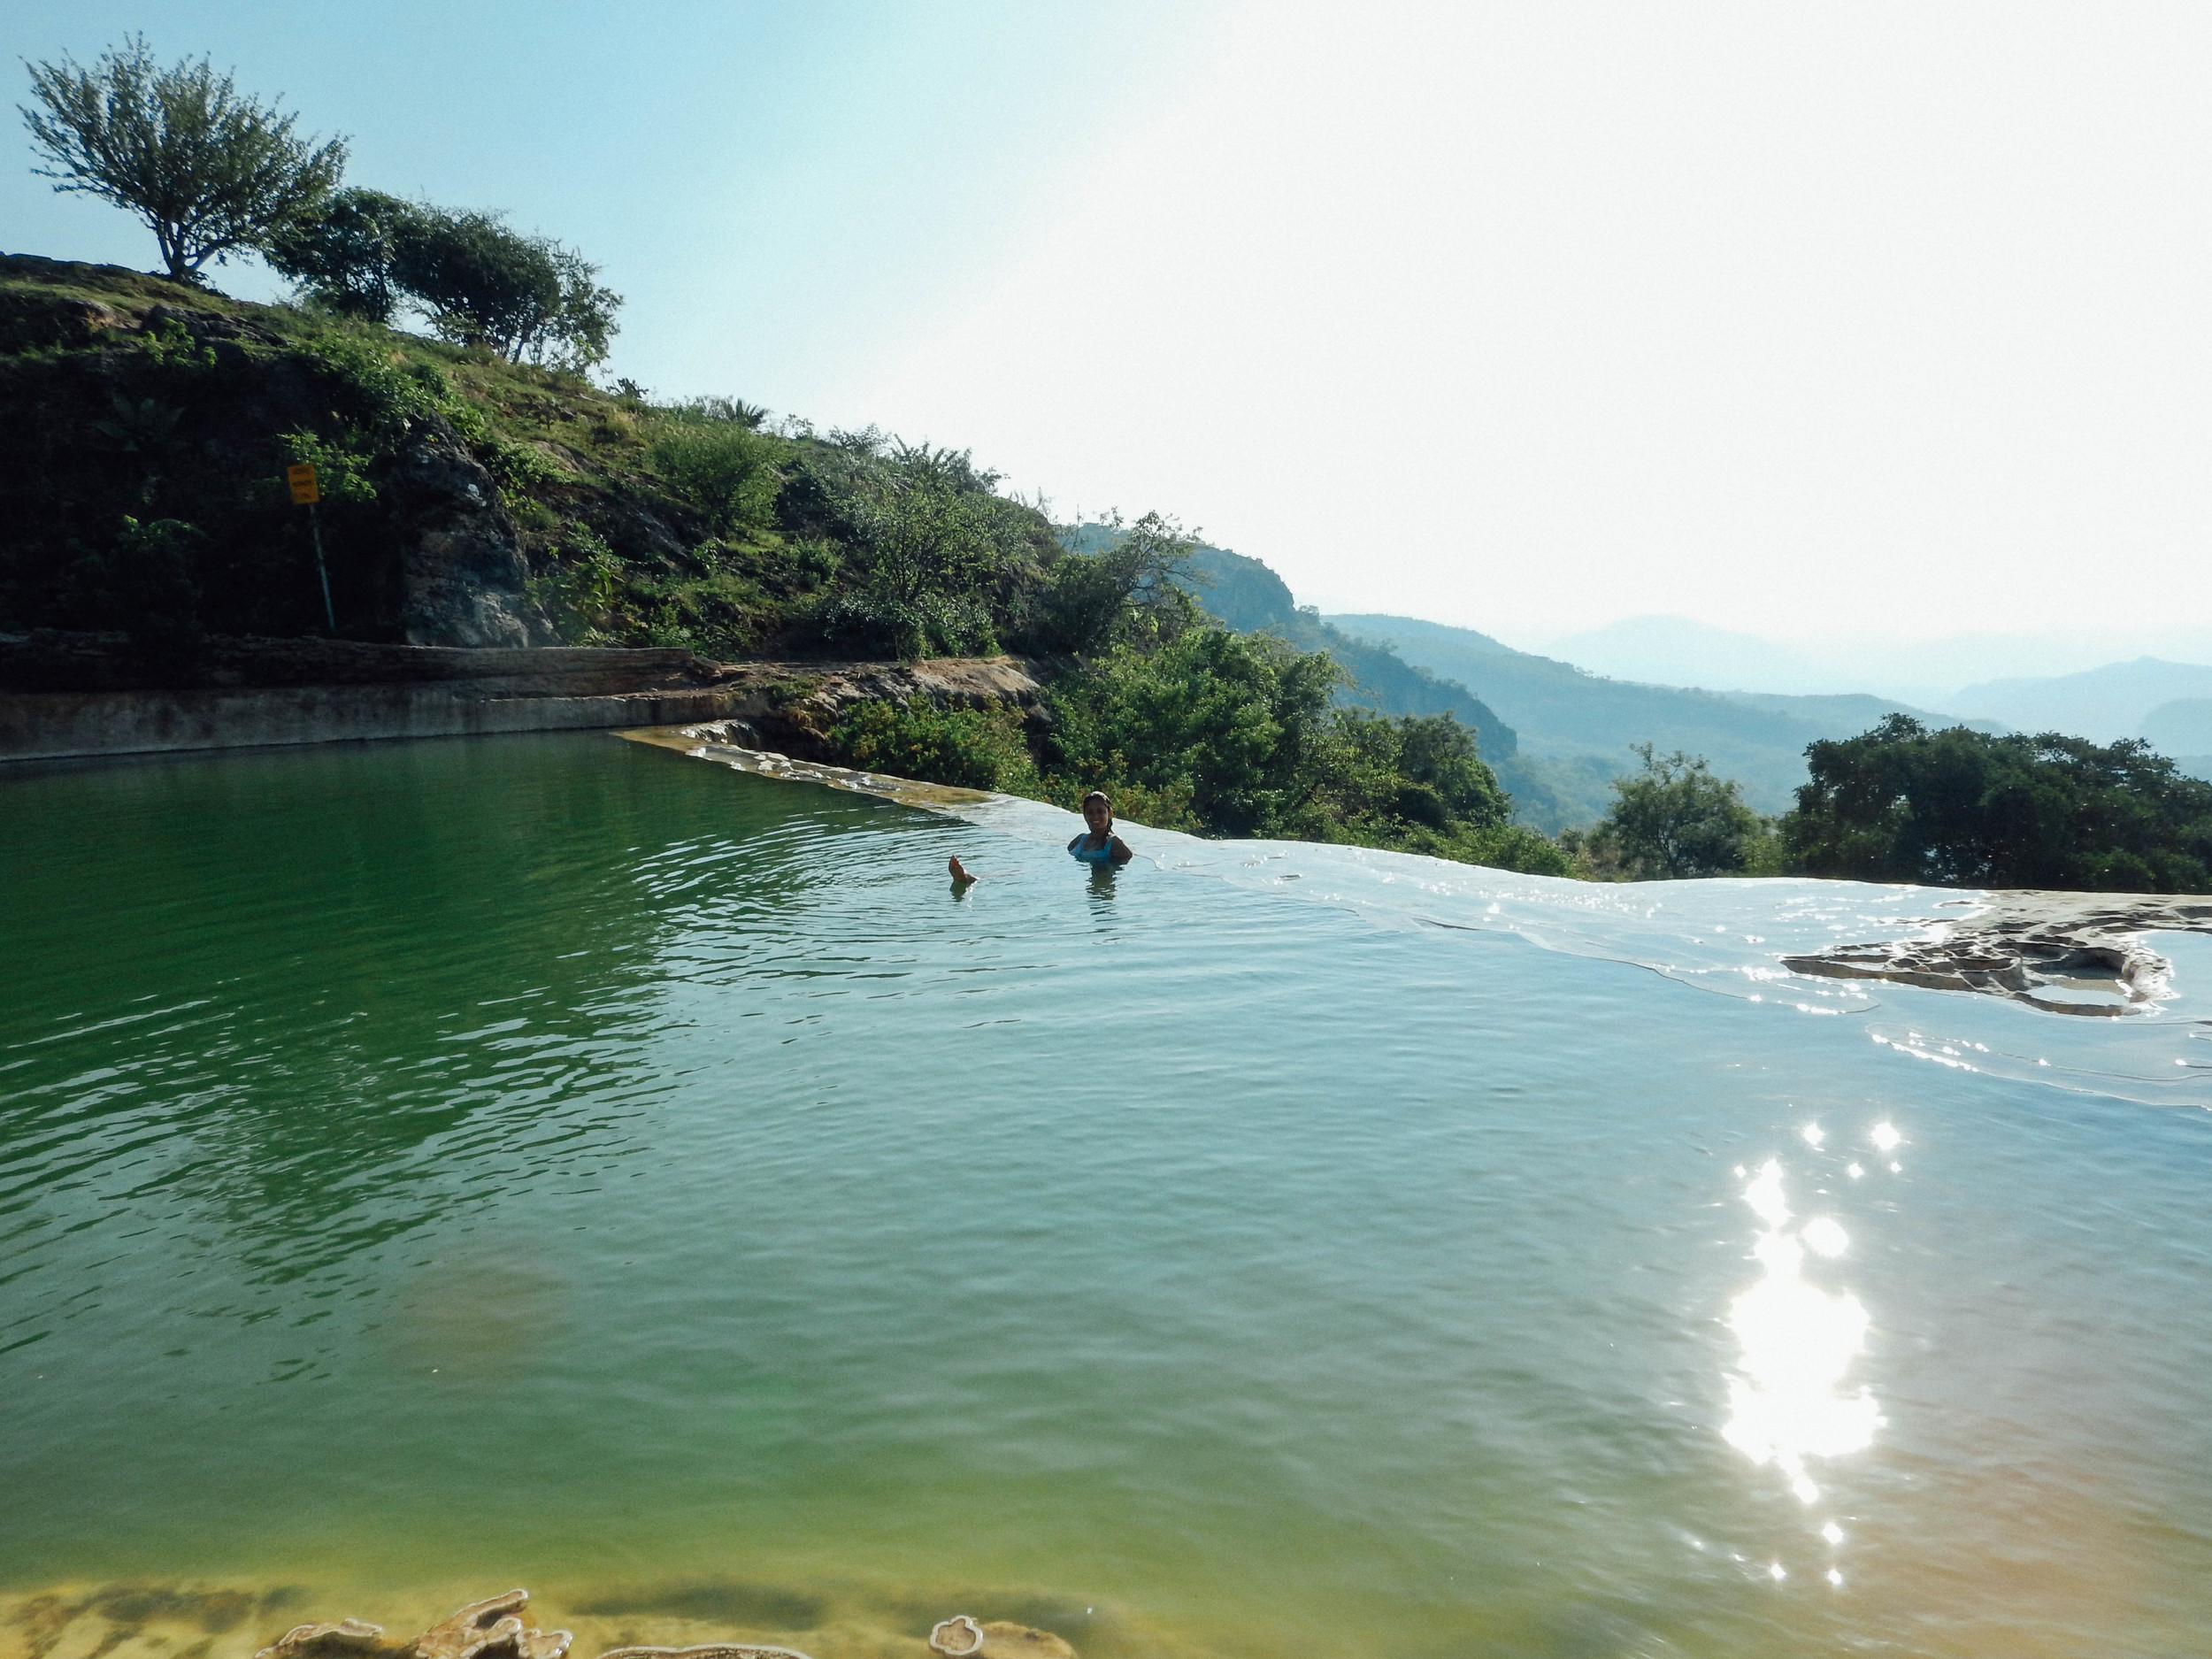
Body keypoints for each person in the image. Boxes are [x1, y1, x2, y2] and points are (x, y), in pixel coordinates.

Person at [1068, 790, 1134, 866]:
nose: (1095, 817)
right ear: (1084, 815)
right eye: (1090, 812)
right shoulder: (1079, 841)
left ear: (1110, 813)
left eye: (1100, 812)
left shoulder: (1116, 844)